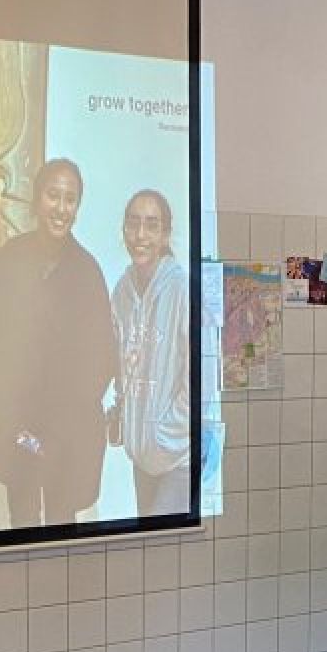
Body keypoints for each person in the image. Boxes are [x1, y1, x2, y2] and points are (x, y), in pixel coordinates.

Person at [0, 157, 118, 527]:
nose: (60, 207)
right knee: (22, 524)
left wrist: (57, 437)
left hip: (66, 437)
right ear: (37, 198)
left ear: (77, 207)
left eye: (70, 199)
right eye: (52, 195)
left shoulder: (87, 272)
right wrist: (17, 428)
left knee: (62, 529)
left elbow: (101, 360)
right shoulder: (10, 259)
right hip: (18, 431)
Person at [108, 188, 192, 518]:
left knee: (166, 545)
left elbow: (199, 378)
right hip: (141, 457)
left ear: (165, 235)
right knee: (149, 543)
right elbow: (122, 366)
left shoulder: (183, 290)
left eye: (152, 225)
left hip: (176, 459)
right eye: (133, 224)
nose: (140, 235)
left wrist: (165, 435)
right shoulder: (121, 292)